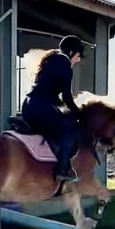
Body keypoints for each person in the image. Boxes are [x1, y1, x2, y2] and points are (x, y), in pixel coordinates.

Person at [21, 35, 85, 183]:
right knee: (69, 130)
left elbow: (54, 96)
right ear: (71, 52)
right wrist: (79, 114)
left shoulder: (52, 59)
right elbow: (67, 98)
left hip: (29, 105)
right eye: (78, 55)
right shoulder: (64, 63)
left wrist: (65, 108)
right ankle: (62, 169)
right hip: (41, 108)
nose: (78, 60)